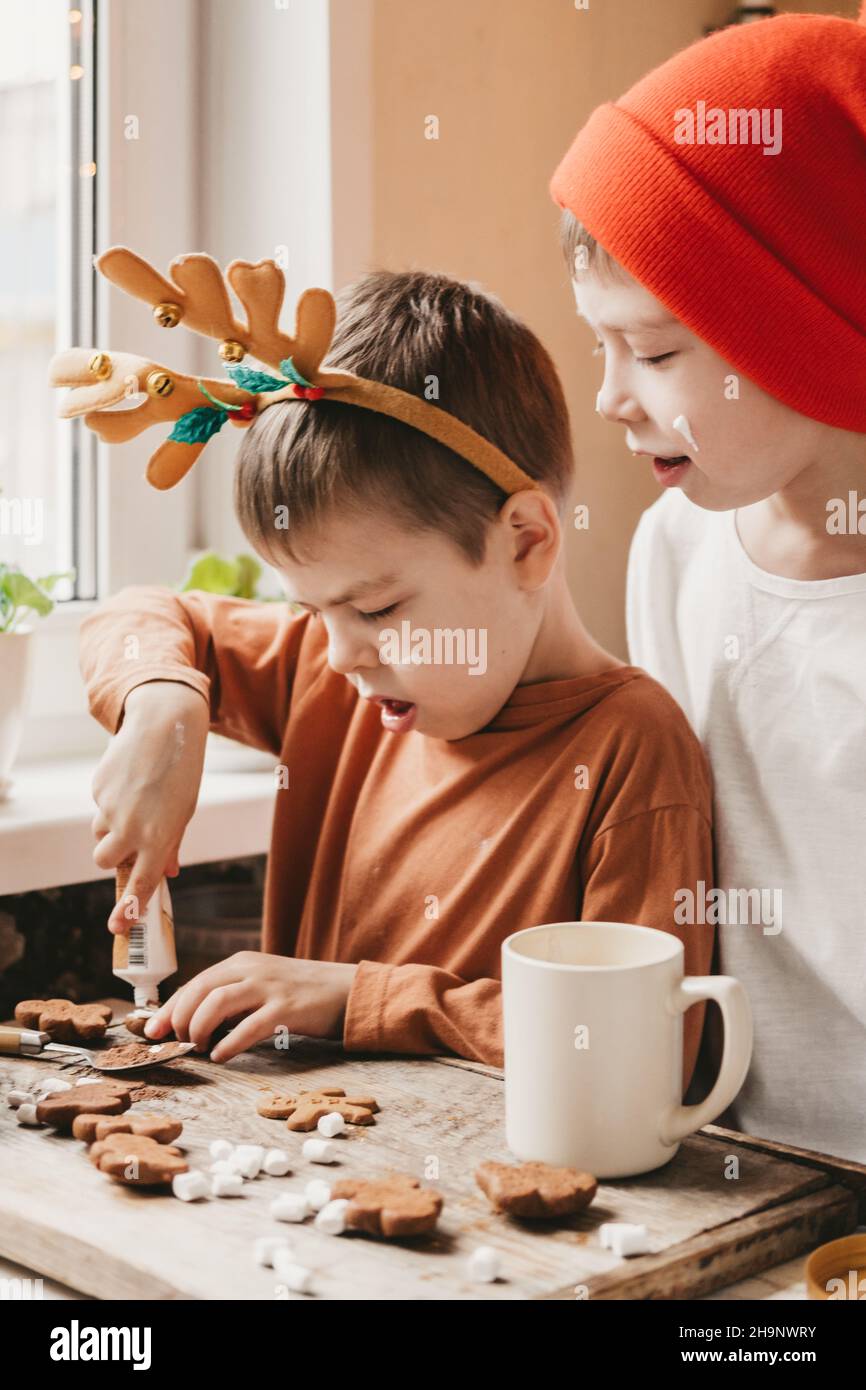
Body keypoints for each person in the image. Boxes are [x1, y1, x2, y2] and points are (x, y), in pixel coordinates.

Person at [80, 267, 713, 1076]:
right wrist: (162, 708)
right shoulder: (334, 673)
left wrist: (359, 999)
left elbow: (643, 1048)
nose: (342, 654)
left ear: (525, 541)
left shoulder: (632, 750)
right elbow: (131, 616)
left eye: (377, 611)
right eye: (313, 611)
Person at [550, 6, 866, 1159]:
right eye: (601, 344)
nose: (610, 397)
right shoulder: (673, 550)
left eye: (656, 349)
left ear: (810, 332)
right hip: (748, 1174)